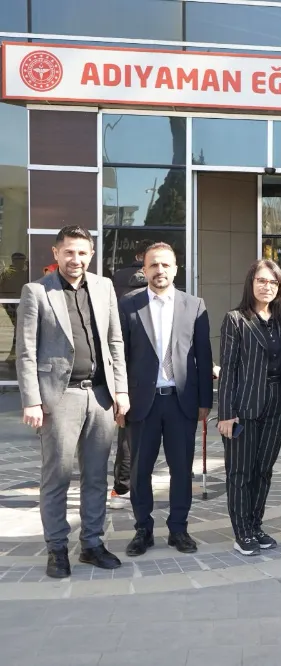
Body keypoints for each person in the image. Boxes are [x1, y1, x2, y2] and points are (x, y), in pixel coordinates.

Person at [16, 225, 130, 578]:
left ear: (91, 254)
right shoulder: (37, 291)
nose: (75, 259)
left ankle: (92, 544)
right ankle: (57, 549)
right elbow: (26, 351)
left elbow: (115, 342)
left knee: (96, 477)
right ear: (56, 253)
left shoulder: (104, 287)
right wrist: (31, 400)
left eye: (82, 252)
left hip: (101, 396)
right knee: (57, 477)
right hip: (59, 396)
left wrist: (121, 391)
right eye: (69, 252)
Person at [118, 243, 213, 556]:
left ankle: (178, 529)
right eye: (153, 265)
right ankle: (143, 530)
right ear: (144, 269)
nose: (160, 270)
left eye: (165, 265)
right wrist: (119, 399)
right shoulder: (128, 305)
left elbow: (203, 355)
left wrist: (204, 401)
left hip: (180, 402)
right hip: (141, 404)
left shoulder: (194, 305)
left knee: (181, 470)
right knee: (139, 471)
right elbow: (120, 356)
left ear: (175, 269)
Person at [217, 260, 281, 556]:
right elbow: (229, 369)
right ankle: (242, 532)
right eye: (261, 281)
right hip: (244, 405)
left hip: (276, 404)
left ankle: (255, 525)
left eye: (273, 282)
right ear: (251, 283)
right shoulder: (236, 319)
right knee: (240, 472)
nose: (267, 287)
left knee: (263, 470)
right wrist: (226, 413)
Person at [109, 239, 151, 511]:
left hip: (124, 368)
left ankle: (121, 487)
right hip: (152, 369)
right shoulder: (159, 286)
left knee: (126, 432)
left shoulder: (116, 279)